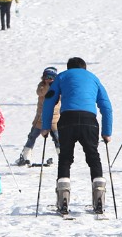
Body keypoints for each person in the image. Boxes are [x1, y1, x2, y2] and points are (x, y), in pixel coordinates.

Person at [40, 57, 113, 216]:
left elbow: (49, 100)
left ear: (68, 67)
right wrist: (107, 132)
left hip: (67, 120)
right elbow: (106, 106)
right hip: (89, 121)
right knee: (93, 156)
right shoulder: (94, 78)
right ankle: (99, 193)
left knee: (65, 157)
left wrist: (45, 127)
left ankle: (63, 198)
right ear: (84, 68)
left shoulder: (62, 76)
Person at [15, 66, 61, 166]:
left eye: (51, 77)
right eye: (47, 77)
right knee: (32, 136)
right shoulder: (42, 86)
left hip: (54, 119)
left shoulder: (59, 87)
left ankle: (62, 156)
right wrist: (49, 85)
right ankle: (26, 157)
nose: (49, 79)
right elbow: (40, 92)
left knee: (57, 138)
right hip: (40, 119)